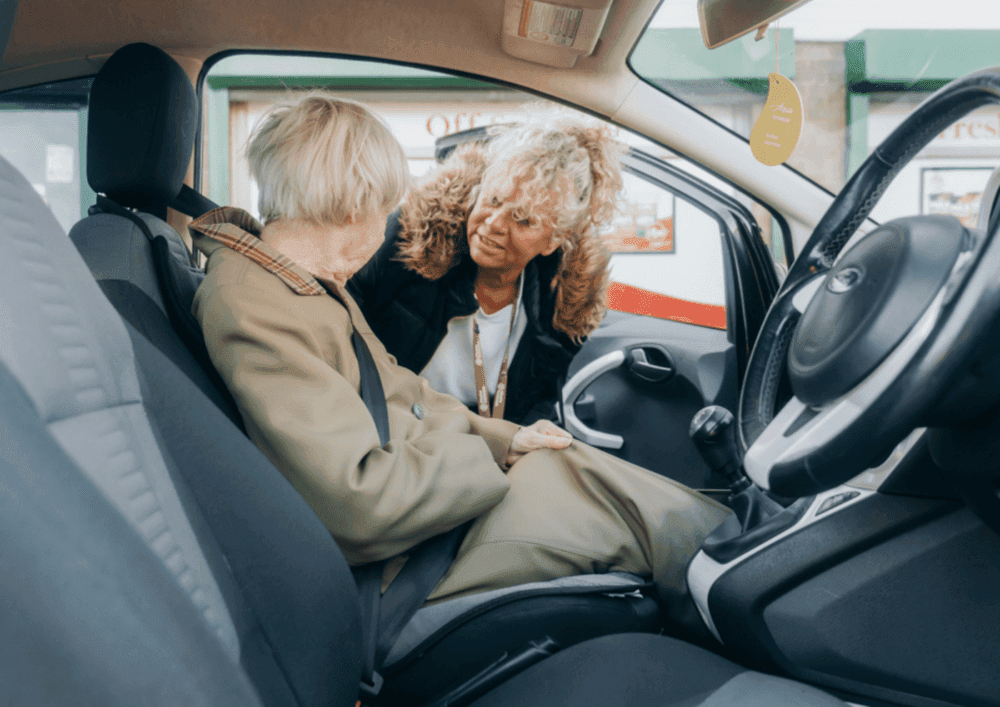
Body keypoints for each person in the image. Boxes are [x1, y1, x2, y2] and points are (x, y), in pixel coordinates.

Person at [190, 92, 729, 615]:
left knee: (589, 479)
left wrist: (507, 438)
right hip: (402, 563)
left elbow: (401, 391)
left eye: (521, 220)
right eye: (384, 208)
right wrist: (488, 459)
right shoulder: (258, 303)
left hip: (426, 504)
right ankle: (747, 577)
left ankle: (737, 556)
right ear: (358, 205)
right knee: (622, 509)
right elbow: (360, 501)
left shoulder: (307, 288)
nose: (386, 226)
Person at [348, 119, 620, 425]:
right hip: (384, 421)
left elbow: (538, 400)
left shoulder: (562, 305)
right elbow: (340, 327)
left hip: (482, 443)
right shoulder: (410, 240)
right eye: (492, 200)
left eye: (522, 219)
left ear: (554, 240)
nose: (493, 224)